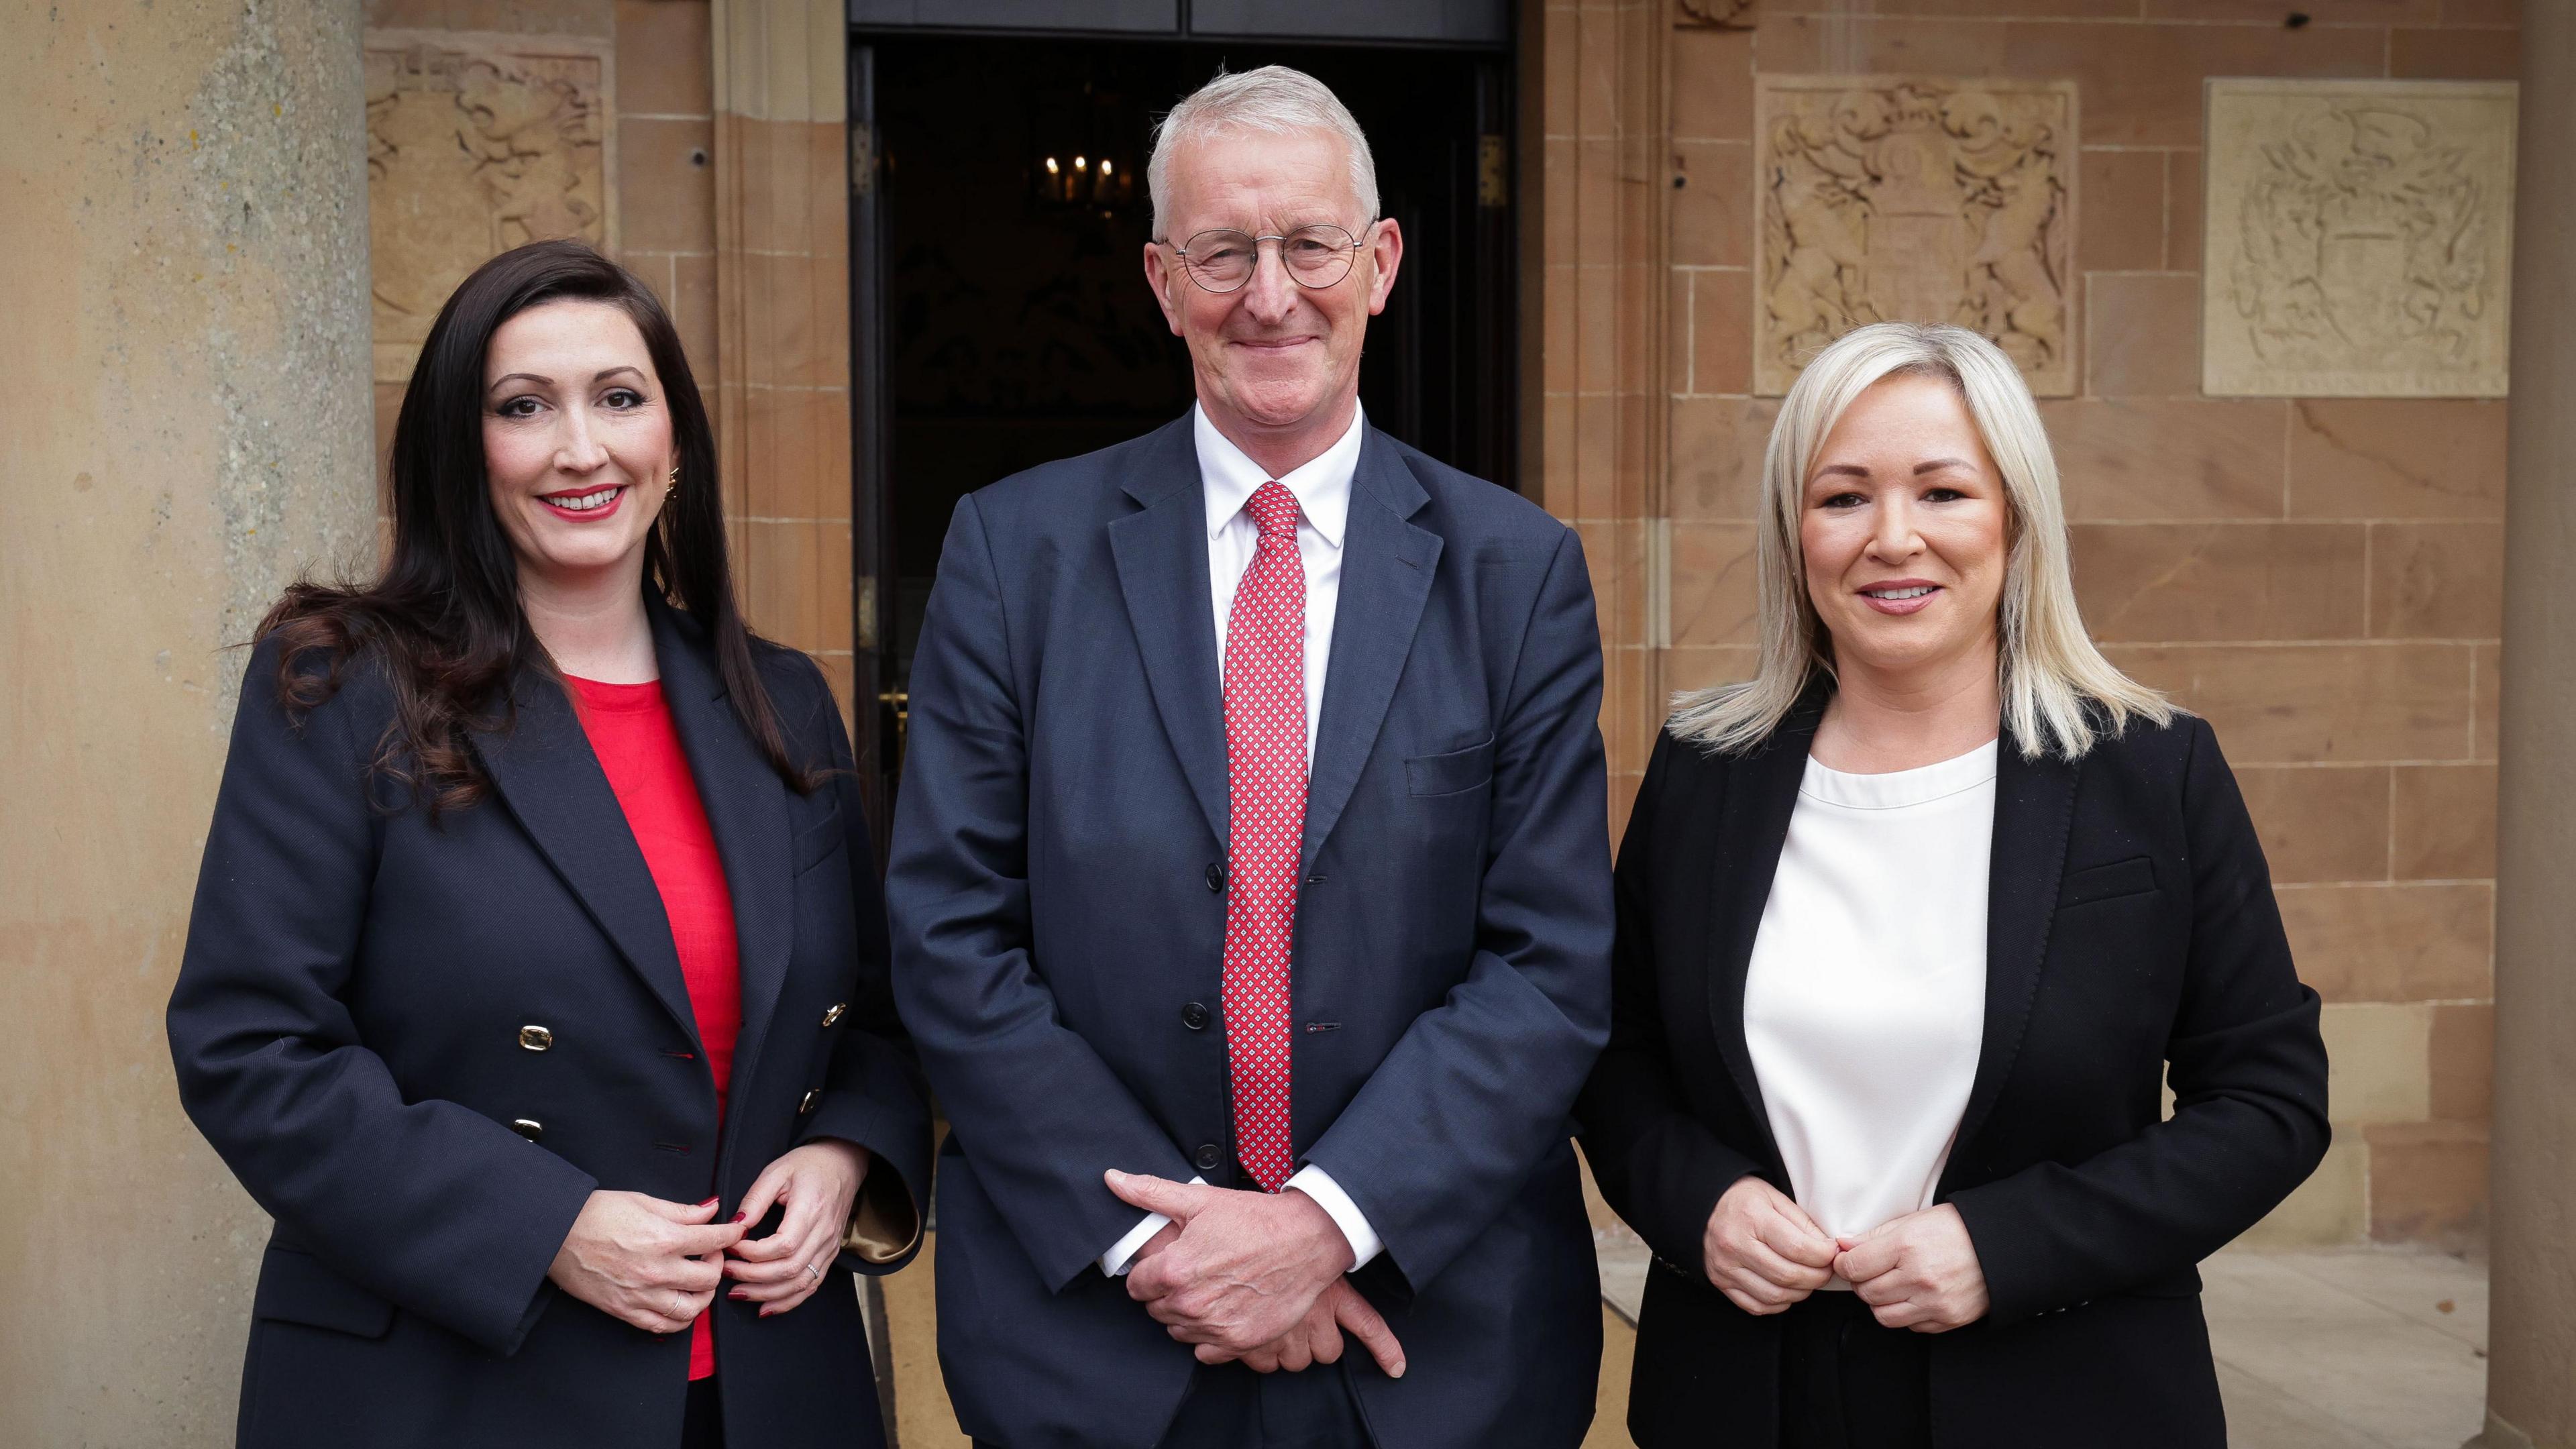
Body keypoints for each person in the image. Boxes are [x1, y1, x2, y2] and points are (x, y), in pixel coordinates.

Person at [886, 65, 1613, 1449]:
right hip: (1098, 1340)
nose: (1270, 294)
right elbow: (950, 939)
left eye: (1310, 245)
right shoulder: (1011, 554)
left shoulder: (1517, 572)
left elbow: (1550, 960)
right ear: (1163, 281)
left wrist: (1322, 1230)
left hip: (1431, 1347)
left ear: (1381, 261)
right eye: (1224, 251)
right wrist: (1183, 1252)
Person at [165, 240, 930, 1449]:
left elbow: (882, 1017)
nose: (583, 449)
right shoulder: (343, 685)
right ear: (463, 450)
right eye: (525, 407)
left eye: (620, 398)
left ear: (674, 441)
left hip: (773, 1389)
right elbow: (250, 1046)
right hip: (458, 1385)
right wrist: (546, 1227)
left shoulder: (784, 704)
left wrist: (844, 1153)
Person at [1576, 322, 2330, 1449]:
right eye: (1842, 498)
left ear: (2015, 519)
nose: (1893, 539)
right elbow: (1616, 1053)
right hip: (1746, 1393)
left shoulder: (2149, 773)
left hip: (2061, 1389)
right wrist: (1701, 1206)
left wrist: (2009, 1245)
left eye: (1942, 492)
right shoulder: (1706, 769)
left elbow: (2269, 1105)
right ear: (1795, 533)